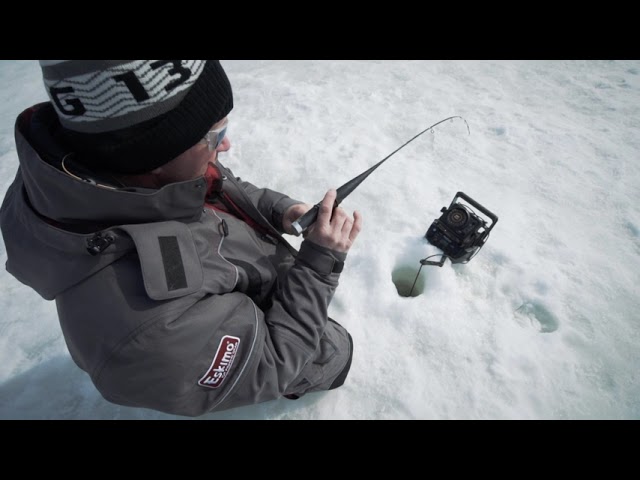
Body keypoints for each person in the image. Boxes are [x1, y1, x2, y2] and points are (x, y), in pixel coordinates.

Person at [0, 60, 362, 416]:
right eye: (214, 136)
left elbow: (214, 188)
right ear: (152, 155)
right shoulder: (150, 336)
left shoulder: (131, 178)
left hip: (278, 302)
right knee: (336, 356)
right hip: (291, 349)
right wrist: (318, 265)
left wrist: (278, 210)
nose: (226, 145)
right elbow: (273, 365)